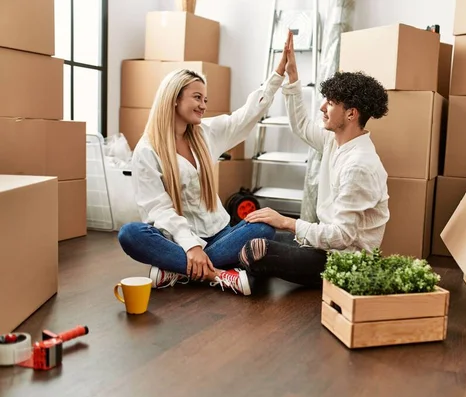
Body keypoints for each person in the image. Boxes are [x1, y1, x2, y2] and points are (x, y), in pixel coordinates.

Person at [117, 37, 292, 295]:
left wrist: (277, 76)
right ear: (174, 98)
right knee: (130, 234)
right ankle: (217, 274)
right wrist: (191, 247)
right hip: (176, 240)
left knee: (263, 225)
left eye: (205, 99)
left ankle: (176, 269)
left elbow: (244, 118)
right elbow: (159, 209)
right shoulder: (147, 150)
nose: (203, 105)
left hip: (220, 235)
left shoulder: (206, 133)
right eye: (197, 97)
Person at [238, 33, 390, 287]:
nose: (322, 108)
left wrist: (286, 222)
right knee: (255, 234)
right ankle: (239, 277)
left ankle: (239, 277)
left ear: (351, 114)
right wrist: (293, 76)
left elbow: (342, 237)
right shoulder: (336, 141)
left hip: (344, 261)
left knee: (256, 249)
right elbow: (301, 125)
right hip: (324, 246)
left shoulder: (359, 166)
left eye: (330, 103)